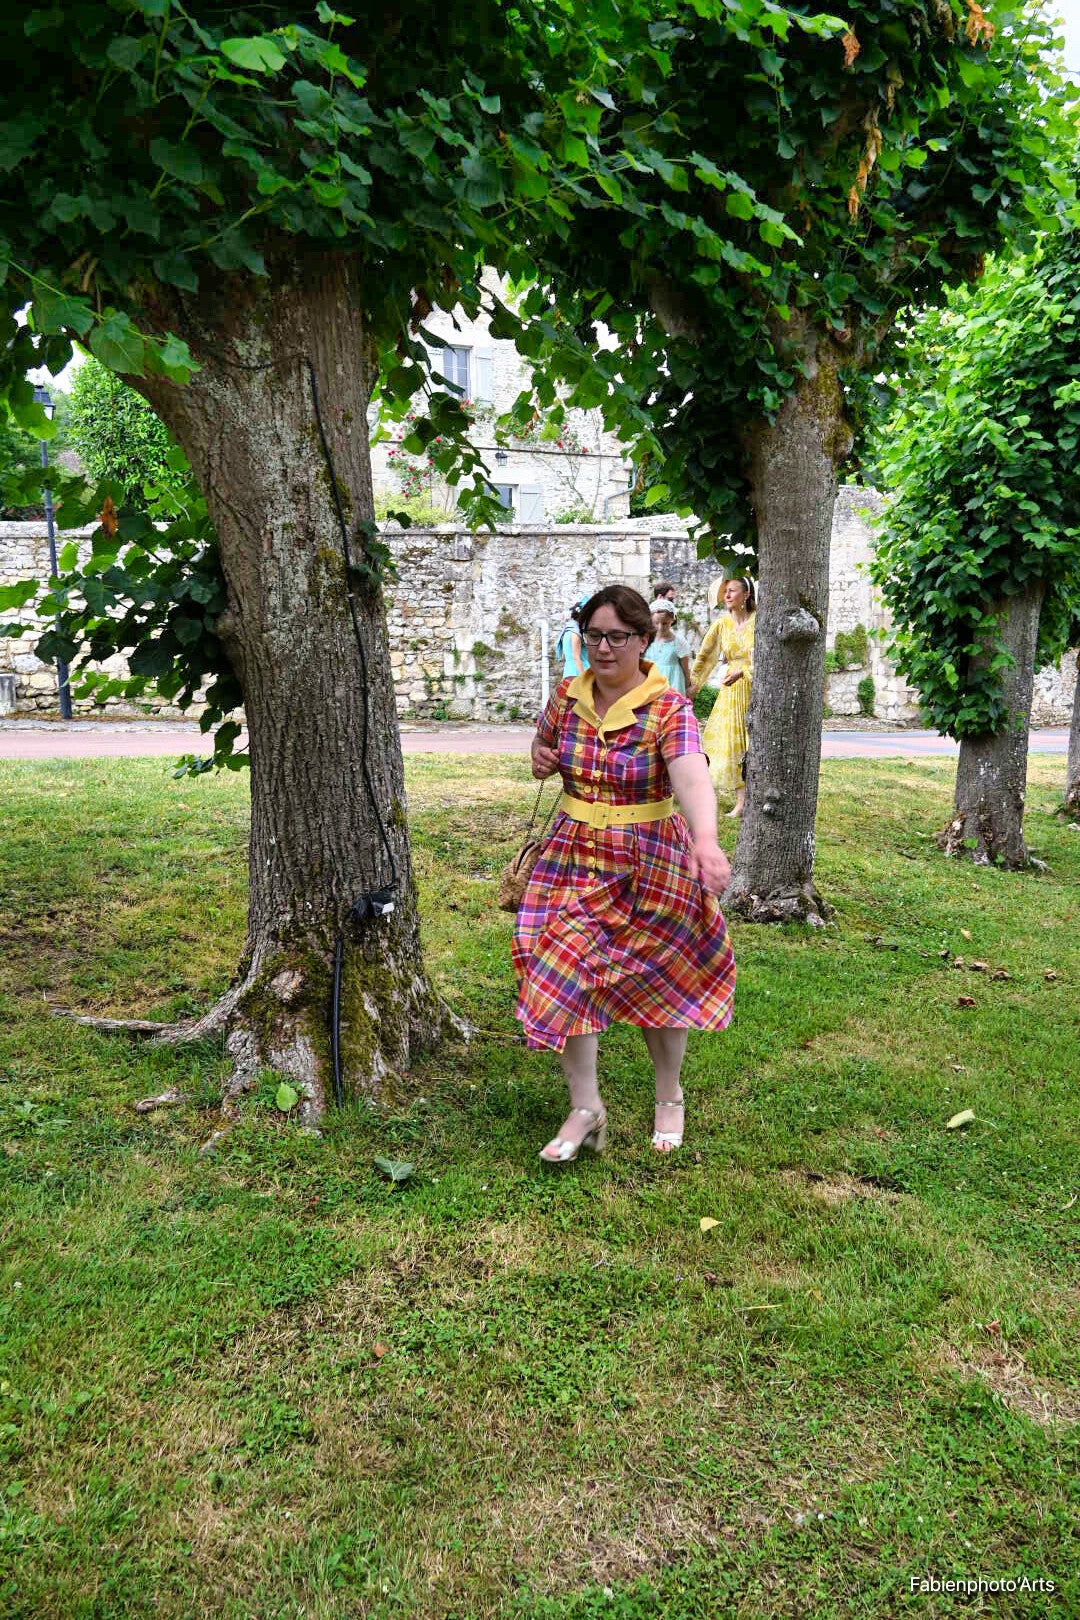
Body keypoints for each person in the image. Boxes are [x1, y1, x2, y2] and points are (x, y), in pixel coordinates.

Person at [513, 584, 736, 1163]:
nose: (604, 648)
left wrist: (706, 840)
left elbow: (690, 774)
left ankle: (669, 1095)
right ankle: (586, 1108)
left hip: (651, 860)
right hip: (575, 855)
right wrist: (541, 757)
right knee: (560, 964)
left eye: (617, 636)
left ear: (643, 639)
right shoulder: (568, 696)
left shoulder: (668, 708)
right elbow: (543, 746)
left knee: (660, 980)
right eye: (594, 636)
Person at [688, 577, 756, 818]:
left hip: (754, 687)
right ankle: (742, 801)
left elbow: (765, 657)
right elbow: (705, 656)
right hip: (731, 691)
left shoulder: (759, 621)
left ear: (746, 595)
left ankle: (758, 797)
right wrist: (692, 686)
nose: (726, 596)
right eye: (725, 591)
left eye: (732, 591)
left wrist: (743, 672)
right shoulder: (722, 624)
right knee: (732, 743)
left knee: (753, 741)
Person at [645, 598, 692, 695]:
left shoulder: (678, 642)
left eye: (665, 623)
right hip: (652, 685)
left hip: (673, 685)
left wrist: (688, 687)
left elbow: (685, 669)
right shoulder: (647, 640)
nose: (660, 627)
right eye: (656, 623)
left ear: (672, 619)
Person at [555, 595, 590, 678]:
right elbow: (576, 658)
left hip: (571, 672)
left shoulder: (569, 630)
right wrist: (584, 679)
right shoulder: (575, 633)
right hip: (576, 673)